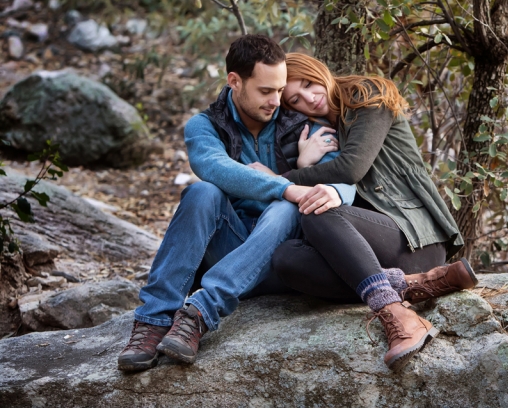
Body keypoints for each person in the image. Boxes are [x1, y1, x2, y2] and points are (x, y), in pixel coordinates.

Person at [117, 36, 355, 372]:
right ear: (235, 81)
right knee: (202, 192)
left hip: (282, 258)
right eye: (265, 91)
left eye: (279, 89)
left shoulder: (302, 125)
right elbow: (213, 167)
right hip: (230, 248)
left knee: (286, 208)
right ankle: (153, 322)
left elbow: (345, 179)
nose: (277, 100)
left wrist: (334, 191)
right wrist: (285, 185)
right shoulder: (205, 126)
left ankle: (198, 313)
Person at [253, 53, 477, 372]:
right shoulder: (319, 132)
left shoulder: (367, 95)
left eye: (308, 84)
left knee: (317, 208)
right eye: (296, 99)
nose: (309, 97)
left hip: (415, 240)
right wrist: (305, 163)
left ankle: (396, 313)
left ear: (320, 70)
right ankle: (409, 283)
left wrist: (277, 181)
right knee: (288, 259)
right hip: (375, 256)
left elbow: (352, 168)